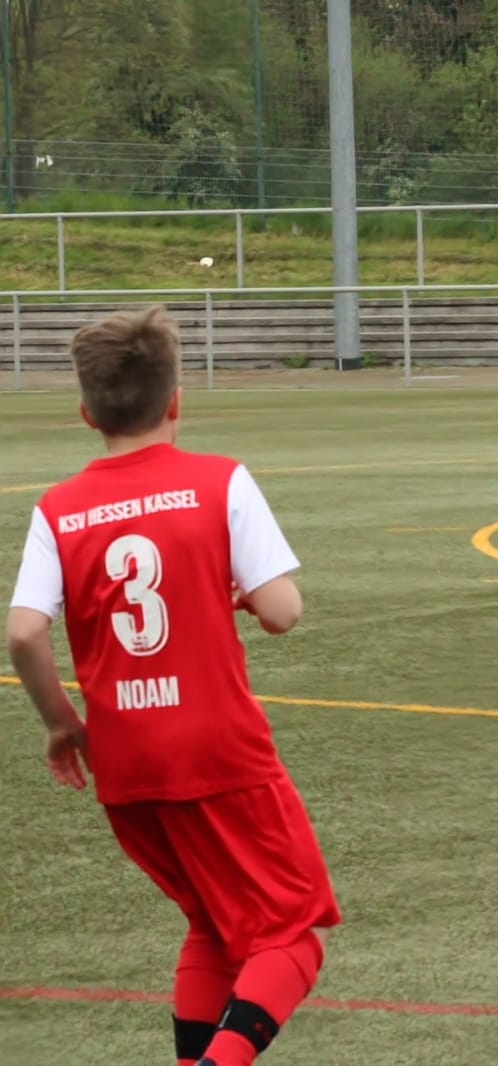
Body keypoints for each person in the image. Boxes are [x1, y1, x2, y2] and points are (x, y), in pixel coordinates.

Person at [5, 306, 340, 1064]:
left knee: (213, 924)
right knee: (293, 934)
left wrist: (61, 724)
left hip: (127, 762)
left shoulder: (57, 509)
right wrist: (247, 595)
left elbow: (23, 632)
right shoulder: (219, 481)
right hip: (219, 752)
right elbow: (283, 611)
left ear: (86, 412)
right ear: (177, 399)